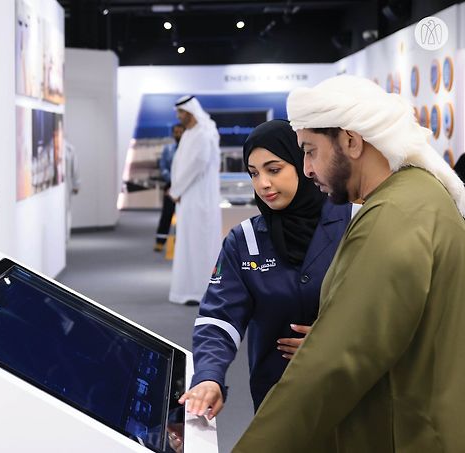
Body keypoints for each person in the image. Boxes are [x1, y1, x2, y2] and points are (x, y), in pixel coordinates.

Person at [234, 75, 465, 453]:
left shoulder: (391, 217)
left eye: (310, 150)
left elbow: (330, 368)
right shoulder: (416, 196)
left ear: (351, 142)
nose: (307, 169)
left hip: (409, 433)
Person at [178, 120, 353, 420]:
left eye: (274, 170)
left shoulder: (353, 224)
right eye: (254, 173)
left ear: (303, 164)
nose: (263, 184)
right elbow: (218, 318)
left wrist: (339, 339)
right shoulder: (244, 241)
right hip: (278, 399)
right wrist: (208, 375)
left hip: (352, 394)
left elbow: (390, 308)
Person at [168, 96, 222, 305]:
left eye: (180, 112)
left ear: (188, 112)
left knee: (200, 244)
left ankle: (199, 290)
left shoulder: (204, 133)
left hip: (199, 198)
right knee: (189, 243)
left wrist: (177, 189)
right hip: (188, 197)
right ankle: (188, 289)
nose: (179, 116)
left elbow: (197, 164)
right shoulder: (191, 133)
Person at [154, 123, 185, 251]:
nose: (178, 134)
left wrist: (181, 183)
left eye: (180, 132)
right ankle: (160, 241)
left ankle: (180, 243)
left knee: (183, 216)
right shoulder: (168, 149)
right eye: (176, 132)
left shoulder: (188, 149)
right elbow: (163, 167)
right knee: (167, 214)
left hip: (185, 187)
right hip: (170, 185)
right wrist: (172, 181)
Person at [64, 139, 81, 240]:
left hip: (66, 185)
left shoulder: (69, 149)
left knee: (67, 210)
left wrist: (76, 185)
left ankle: (66, 236)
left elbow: (75, 169)